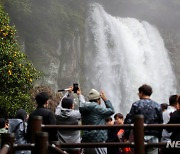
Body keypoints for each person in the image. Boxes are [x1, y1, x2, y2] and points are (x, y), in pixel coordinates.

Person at [124, 84, 163, 154]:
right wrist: (160, 138)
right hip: (154, 136)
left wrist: (126, 136)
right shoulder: (157, 105)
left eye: (138, 93)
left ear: (141, 92)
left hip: (139, 135)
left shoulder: (136, 105)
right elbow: (160, 122)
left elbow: (129, 120)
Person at [79, 88, 115, 154]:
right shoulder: (97, 108)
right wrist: (105, 99)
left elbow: (82, 102)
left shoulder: (83, 108)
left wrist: (80, 95)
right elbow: (111, 110)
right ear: (98, 100)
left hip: (86, 139)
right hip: (98, 139)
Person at [56, 86, 81, 154]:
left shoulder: (57, 114)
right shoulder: (76, 115)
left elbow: (60, 105)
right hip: (75, 146)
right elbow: (83, 108)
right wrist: (79, 95)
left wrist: (68, 93)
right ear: (71, 106)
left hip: (62, 146)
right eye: (73, 105)